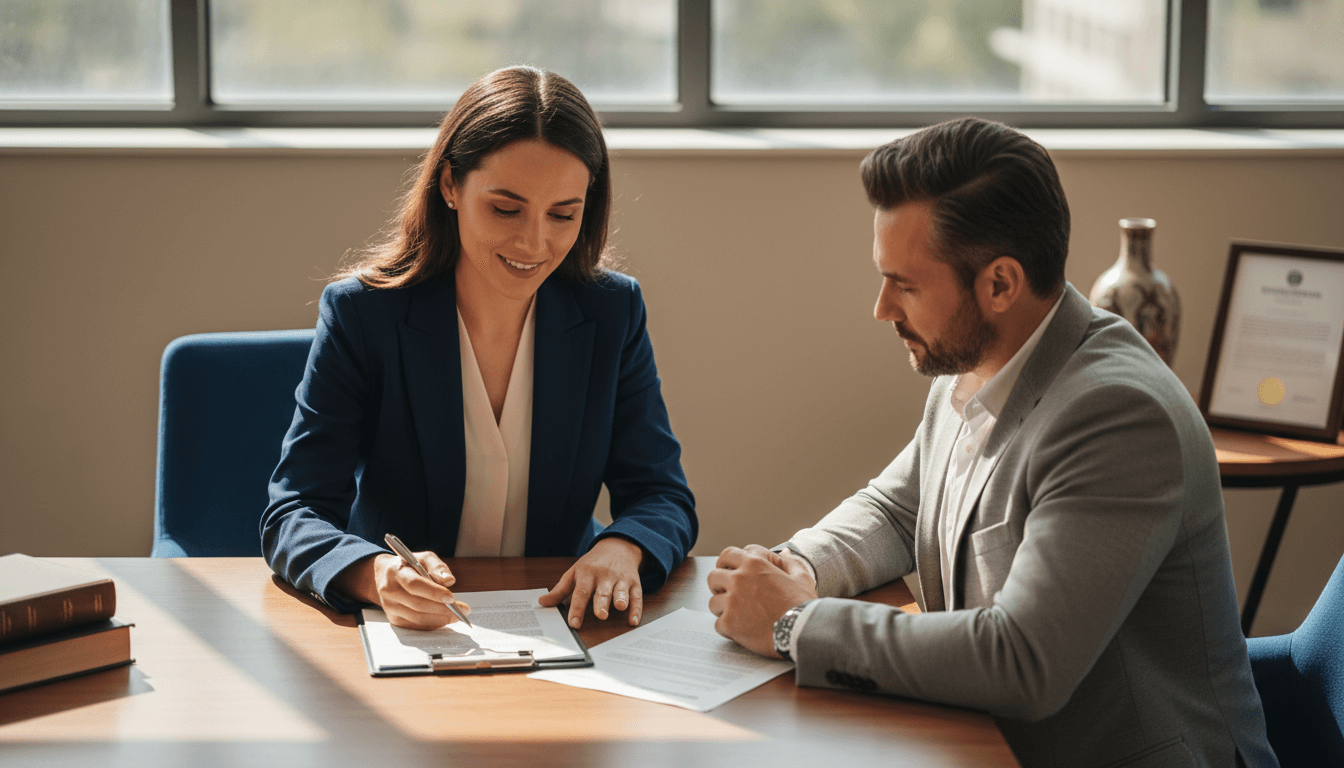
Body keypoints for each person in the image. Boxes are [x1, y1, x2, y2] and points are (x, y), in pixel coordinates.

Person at [707, 118, 1277, 767]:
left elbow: (1023, 661)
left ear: (1000, 284)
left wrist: (794, 625)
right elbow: (897, 509)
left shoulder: (1118, 416)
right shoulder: (975, 363)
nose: (882, 308)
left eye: (906, 285)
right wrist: (798, 569)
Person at [262, 66, 696, 632]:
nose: (534, 242)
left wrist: (623, 548)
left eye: (563, 214)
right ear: (450, 185)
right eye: (506, 209)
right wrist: (375, 574)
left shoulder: (612, 311)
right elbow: (293, 511)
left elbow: (661, 493)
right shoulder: (363, 315)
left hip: (558, 621)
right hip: (413, 630)